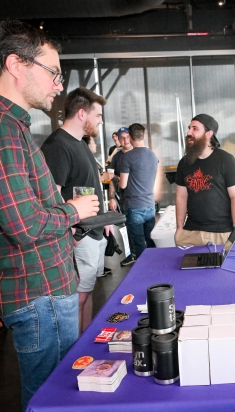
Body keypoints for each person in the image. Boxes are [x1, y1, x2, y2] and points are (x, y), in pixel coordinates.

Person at [0, 20, 99, 411]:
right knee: (51, 397)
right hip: (38, 289)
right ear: (17, 65)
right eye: (53, 73)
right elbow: (25, 225)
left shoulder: (3, 125)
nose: (59, 86)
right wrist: (73, 210)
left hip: (40, 286)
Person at [41, 87, 111, 334]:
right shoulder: (57, 146)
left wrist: (105, 219)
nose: (100, 121)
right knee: (78, 297)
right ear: (82, 114)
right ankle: (74, 353)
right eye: (98, 115)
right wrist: (71, 231)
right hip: (78, 236)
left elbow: (88, 187)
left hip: (93, 231)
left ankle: (85, 344)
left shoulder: (79, 143)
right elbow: (52, 194)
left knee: (86, 292)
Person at [174, 114, 235, 246]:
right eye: (189, 128)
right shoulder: (184, 162)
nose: (189, 132)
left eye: (195, 129)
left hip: (222, 232)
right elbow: (181, 197)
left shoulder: (226, 160)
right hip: (191, 231)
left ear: (208, 134)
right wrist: (179, 228)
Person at [117, 123, 158, 261]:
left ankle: (142, 272)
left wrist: (115, 179)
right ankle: (155, 269)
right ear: (143, 135)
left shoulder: (127, 157)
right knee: (151, 241)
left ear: (130, 137)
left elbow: (123, 185)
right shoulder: (153, 155)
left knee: (139, 243)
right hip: (150, 204)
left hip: (134, 205)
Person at [108, 126, 136, 266]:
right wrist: (111, 197)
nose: (125, 140)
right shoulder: (117, 158)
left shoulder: (139, 153)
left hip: (141, 197)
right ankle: (131, 254)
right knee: (128, 227)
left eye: (127, 137)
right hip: (125, 198)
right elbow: (112, 178)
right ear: (118, 140)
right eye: (122, 138)